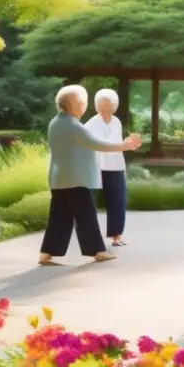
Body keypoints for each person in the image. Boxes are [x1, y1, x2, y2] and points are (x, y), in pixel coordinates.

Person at [40, 85, 141, 265]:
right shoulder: (72, 125)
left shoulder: (57, 122)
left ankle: (47, 252)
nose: (84, 107)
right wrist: (125, 146)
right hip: (75, 178)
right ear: (73, 104)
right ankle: (97, 250)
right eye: (83, 103)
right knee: (85, 214)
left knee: (60, 216)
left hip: (61, 177)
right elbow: (99, 144)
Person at [85, 88, 130, 246]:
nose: (104, 109)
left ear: (114, 107)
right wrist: (125, 145)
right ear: (96, 107)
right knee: (88, 202)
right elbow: (100, 145)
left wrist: (125, 146)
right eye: (100, 105)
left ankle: (116, 235)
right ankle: (89, 237)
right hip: (95, 166)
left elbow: (117, 143)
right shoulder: (91, 124)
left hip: (115, 166)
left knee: (118, 200)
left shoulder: (116, 122)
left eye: (107, 105)